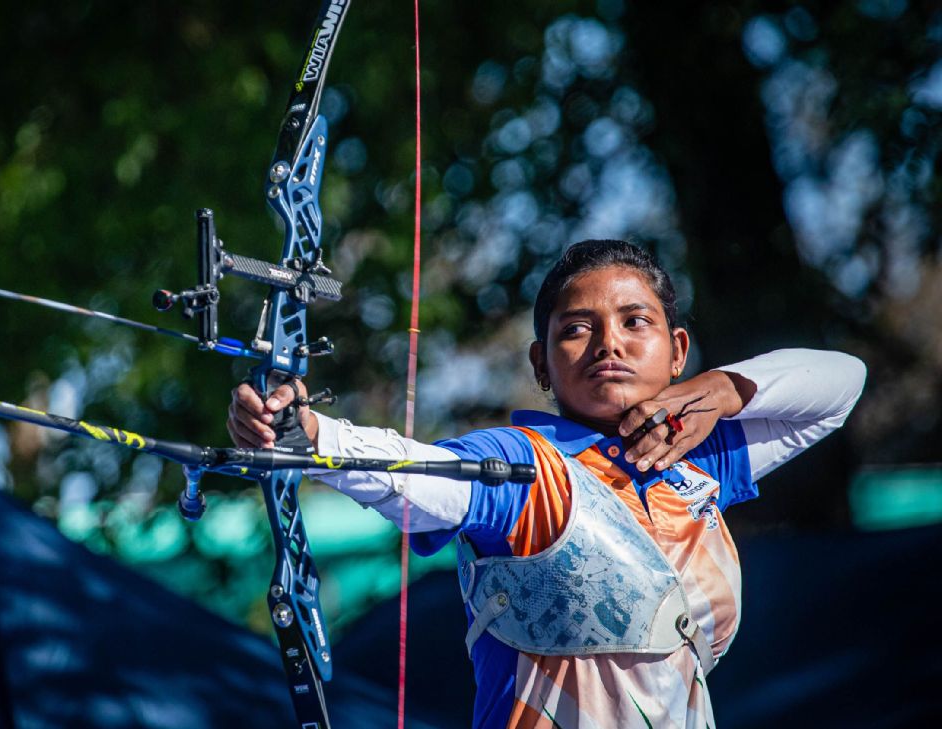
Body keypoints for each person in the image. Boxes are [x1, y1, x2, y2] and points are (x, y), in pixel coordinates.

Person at [227, 239, 866, 728]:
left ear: (677, 349)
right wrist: (307, 436)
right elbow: (417, 476)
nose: (607, 344)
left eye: (635, 322)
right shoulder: (525, 465)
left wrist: (722, 389)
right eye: (576, 329)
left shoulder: (702, 456)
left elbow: (841, 384)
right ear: (542, 363)